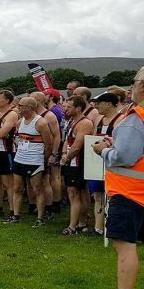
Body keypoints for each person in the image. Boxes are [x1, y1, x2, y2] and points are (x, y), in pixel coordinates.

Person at [85, 68, 144, 289]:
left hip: (129, 192)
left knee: (124, 245)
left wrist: (103, 150)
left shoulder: (136, 116)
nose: (131, 88)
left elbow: (125, 157)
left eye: (134, 83)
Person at [5, 97, 53, 227]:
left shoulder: (41, 123)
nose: (18, 107)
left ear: (29, 108)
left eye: (20, 105)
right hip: (20, 158)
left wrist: (42, 159)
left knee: (37, 189)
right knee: (17, 188)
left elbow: (48, 144)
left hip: (34, 160)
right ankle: (16, 215)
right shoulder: (20, 121)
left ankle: (40, 218)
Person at [85, 92, 124, 236]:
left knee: (112, 196)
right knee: (98, 195)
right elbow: (94, 138)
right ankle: (98, 228)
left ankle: (112, 226)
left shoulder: (121, 120)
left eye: (99, 103)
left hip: (112, 163)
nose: (96, 106)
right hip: (97, 163)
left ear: (109, 104)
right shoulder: (98, 119)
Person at [60, 95, 94, 235]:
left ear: (78, 108)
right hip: (70, 161)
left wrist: (67, 158)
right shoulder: (72, 121)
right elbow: (67, 141)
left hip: (78, 162)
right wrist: (64, 153)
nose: (66, 109)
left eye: (69, 107)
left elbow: (77, 145)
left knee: (76, 193)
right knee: (76, 192)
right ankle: (81, 222)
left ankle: (74, 226)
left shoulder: (85, 123)